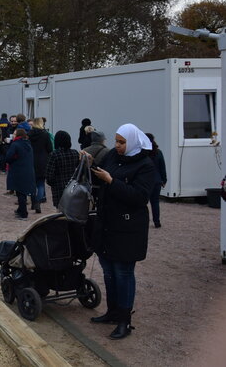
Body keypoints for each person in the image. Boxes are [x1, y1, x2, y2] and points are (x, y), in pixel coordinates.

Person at [86, 123, 155, 340]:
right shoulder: (112, 157)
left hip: (128, 228)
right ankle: (113, 312)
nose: (117, 146)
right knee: (108, 271)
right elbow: (103, 177)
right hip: (108, 224)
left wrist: (111, 181)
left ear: (132, 142)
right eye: (116, 141)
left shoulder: (145, 165)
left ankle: (125, 320)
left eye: (122, 142)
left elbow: (139, 197)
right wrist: (90, 165)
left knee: (123, 273)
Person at [4, 128, 35, 220]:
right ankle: (20, 210)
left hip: (18, 170)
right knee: (23, 191)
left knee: (20, 192)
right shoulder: (28, 143)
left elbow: (8, 157)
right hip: (28, 170)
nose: (13, 135)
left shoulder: (15, 144)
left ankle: (23, 213)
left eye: (14, 133)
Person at [45, 131, 80, 208]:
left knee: (60, 211)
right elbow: (79, 169)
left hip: (58, 187)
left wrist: (52, 183)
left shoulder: (54, 154)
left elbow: (49, 175)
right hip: (72, 186)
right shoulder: (75, 153)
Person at [28, 117, 53, 212]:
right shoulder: (45, 134)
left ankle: (33, 202)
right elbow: (50, 148)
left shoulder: (29, 134)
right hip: (42, 160)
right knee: (41, 184)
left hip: (31, 159)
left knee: (32, 184)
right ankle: (38, 202)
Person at [145, 133, 167, 228]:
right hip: (157, 181)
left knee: (143, 203)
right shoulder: (158, 152)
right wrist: (164, 180)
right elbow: (162, 167)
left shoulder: (142, 153)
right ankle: (157, 222)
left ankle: (143, 221)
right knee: (155, 202)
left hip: (145, 181)